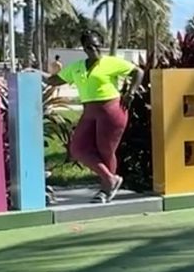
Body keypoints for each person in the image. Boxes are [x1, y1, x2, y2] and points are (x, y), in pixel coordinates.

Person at [56, 32, 137, 203]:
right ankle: (111, 179)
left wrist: (130, 93)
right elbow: (54, 80)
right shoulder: (76, 67)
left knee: (105, 150)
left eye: (98, 45)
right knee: (77, 148)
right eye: (90, 47)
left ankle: (106, 190)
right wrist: (32, 73)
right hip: (89, 111)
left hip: (111, 110)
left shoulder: (111, 62)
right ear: (84, 48)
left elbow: (138, 72)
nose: (95, 49)